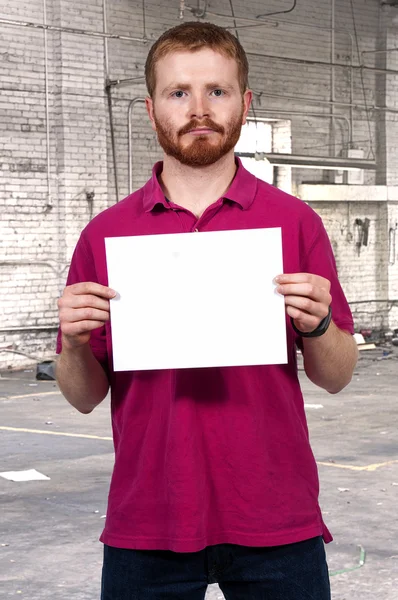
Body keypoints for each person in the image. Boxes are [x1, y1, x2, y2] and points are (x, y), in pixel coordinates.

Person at [56, 21, 358, 600]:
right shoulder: (106, 234)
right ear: (151, 110)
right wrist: (72, 342)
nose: (199, 109)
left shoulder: (295, 223)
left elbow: (337, 376)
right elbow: (82, 396)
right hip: (148, 518)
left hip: (275, 514)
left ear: (244, 104)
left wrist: (318, 323)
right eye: (178, 93)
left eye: (216, 91)